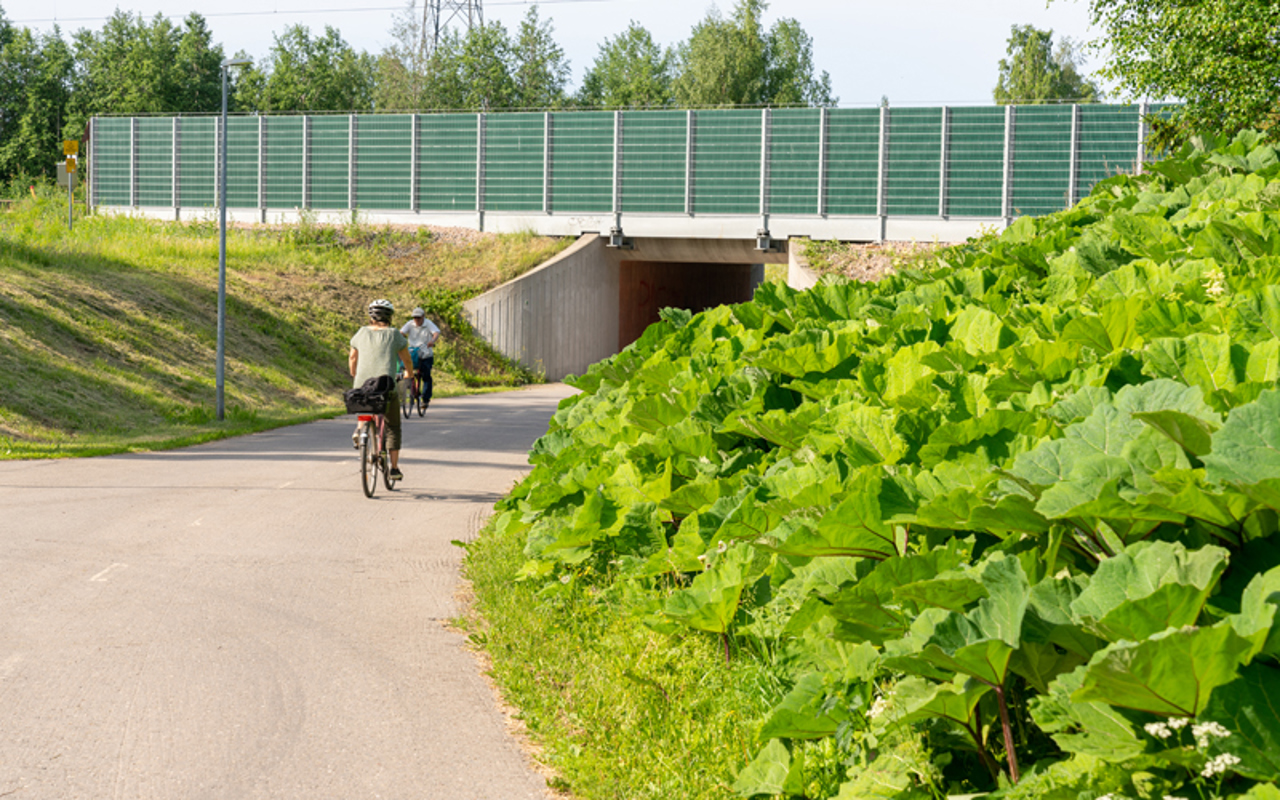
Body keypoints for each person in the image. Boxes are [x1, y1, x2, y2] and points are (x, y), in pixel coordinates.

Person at [350, 299, 415, 481]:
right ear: (390, 317)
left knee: (365, 404)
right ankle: (394, 468)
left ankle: (360, 429)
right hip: (386, 386)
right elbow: (407, 360)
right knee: (393, 426)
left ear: (371, 316)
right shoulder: (394, 335)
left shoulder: (361, 333)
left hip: (363, 385)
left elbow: (353, 357)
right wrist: (409, 374)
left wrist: (354, 373)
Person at [400, 306, 441, 409]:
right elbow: (401, 332)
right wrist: (401, 338)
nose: (417, 320)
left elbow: (436, 332)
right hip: (413, 352)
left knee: (426, 376)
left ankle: (425, 399)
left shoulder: (428, 323)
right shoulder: (410, 324)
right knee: (405, 367)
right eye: (415, 317)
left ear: (423, 316)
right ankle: (409, 386)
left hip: (426, 353)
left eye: (419, 317)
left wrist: (432, 341)